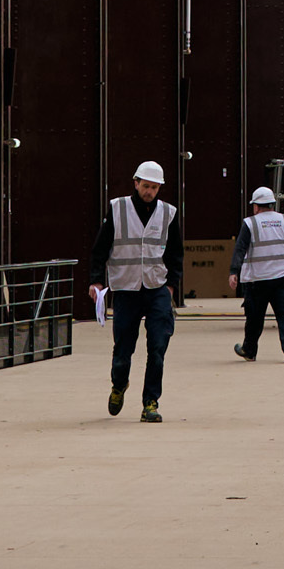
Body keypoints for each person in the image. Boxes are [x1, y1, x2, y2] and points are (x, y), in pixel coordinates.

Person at [99, 158, 179, 420]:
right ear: (136, 183)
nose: (150, 192)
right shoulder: (118, 209)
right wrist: (96, 280)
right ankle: (119, 385)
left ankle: (150, 403)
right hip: (126, 289)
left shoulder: (168, 213)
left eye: (155, 188)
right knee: (123, 349)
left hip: (156, 287)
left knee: (157, 348)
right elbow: (100, 248)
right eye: (146, 186)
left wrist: (171, 286)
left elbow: (176, 252)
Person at [230, 182, 284, 363]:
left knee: (254, 318)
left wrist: (234, 272)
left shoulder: (250, 223)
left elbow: (240, 249)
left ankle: (249, 350)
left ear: (255, 206)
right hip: (283, 277)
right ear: (272, 204)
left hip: (258, 279)